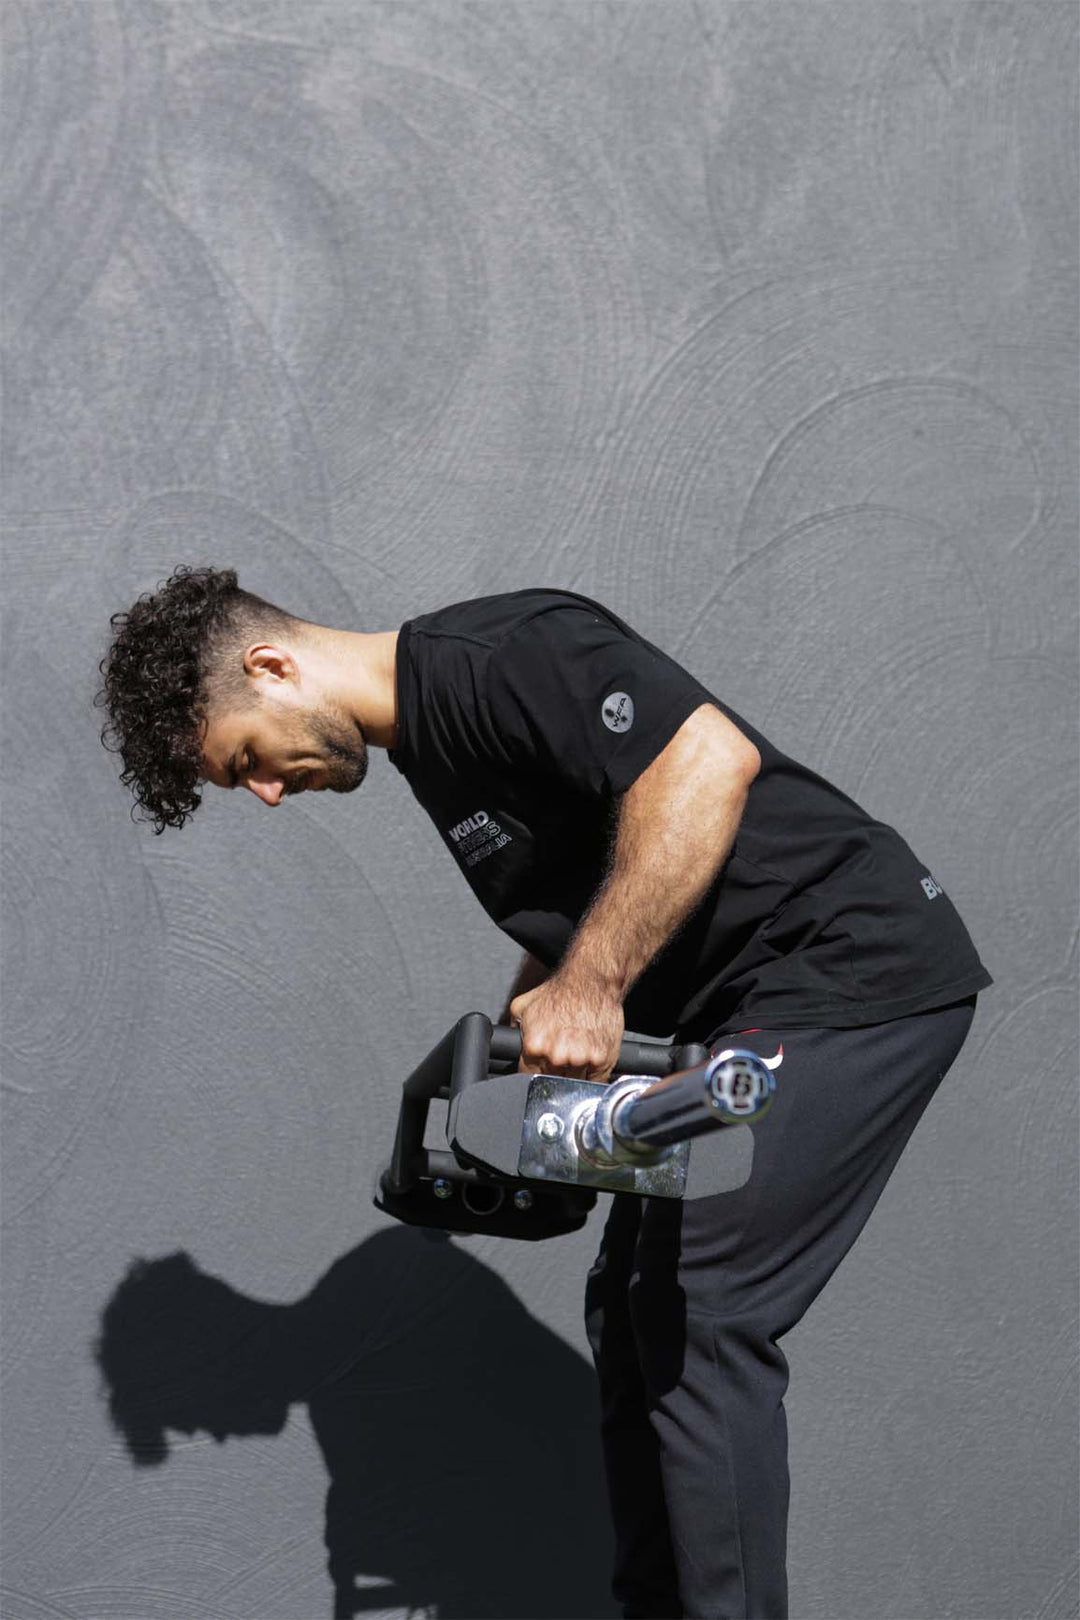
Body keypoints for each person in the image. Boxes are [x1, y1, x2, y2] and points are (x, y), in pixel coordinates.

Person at [97, 565, 993, 1620]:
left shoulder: (503, 655)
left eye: (248, 759)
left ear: (271, 666)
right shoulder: (431, 751)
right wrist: (531, 1036)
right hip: (737, 1015)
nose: (267, 792)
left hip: (848, 969)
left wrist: (593, 987)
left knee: (703, 1307)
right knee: (630, 1308)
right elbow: (597, 894)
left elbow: (708, 761)